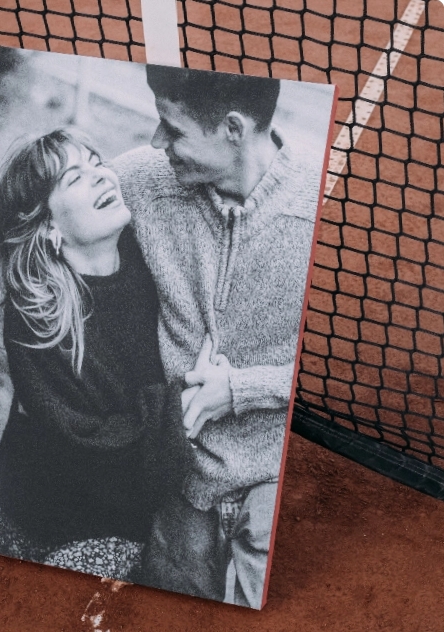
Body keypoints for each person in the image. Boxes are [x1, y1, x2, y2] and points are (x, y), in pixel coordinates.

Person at [113, 66, 323, 607]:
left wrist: (243, 389)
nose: (156, 142)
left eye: (172, 129)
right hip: (177, 479)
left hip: (274, 479)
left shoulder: (324, 209)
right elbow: (48, 214)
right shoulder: (140, 181)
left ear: (234, 129)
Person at [0, 128, 198, 581]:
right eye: (74, 178)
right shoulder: (38, 316)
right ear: (48, 226)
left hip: (121, 514)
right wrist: (186, 406)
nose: (102, 176)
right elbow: (93, 447)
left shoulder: (147, 264)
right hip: (51, 517)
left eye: (97, 161)